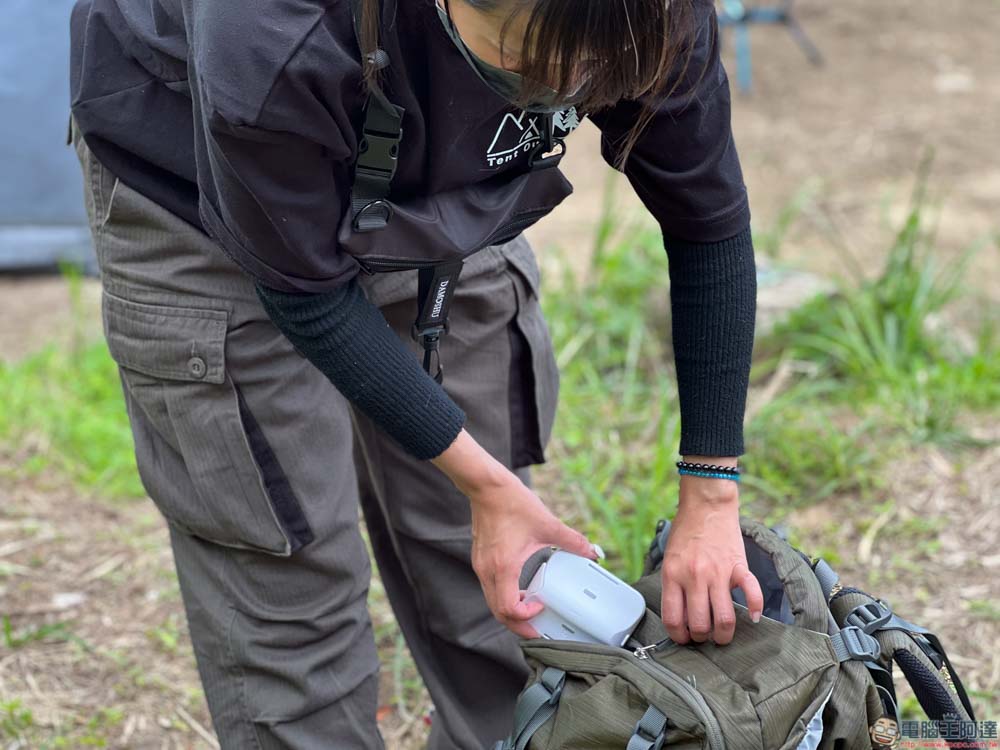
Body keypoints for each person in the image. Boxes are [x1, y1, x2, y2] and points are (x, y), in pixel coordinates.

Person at [68, 0, 765, 746]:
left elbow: (707, 221)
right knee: (292, 589)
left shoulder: (646, 12)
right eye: (532, 72)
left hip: (440, 197)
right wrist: (487, 486)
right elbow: (307, 297)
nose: (570, 92)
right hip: (205, 190)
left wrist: (711, 491)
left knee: (507, 584)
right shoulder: (268, 29)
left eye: (593, 80)